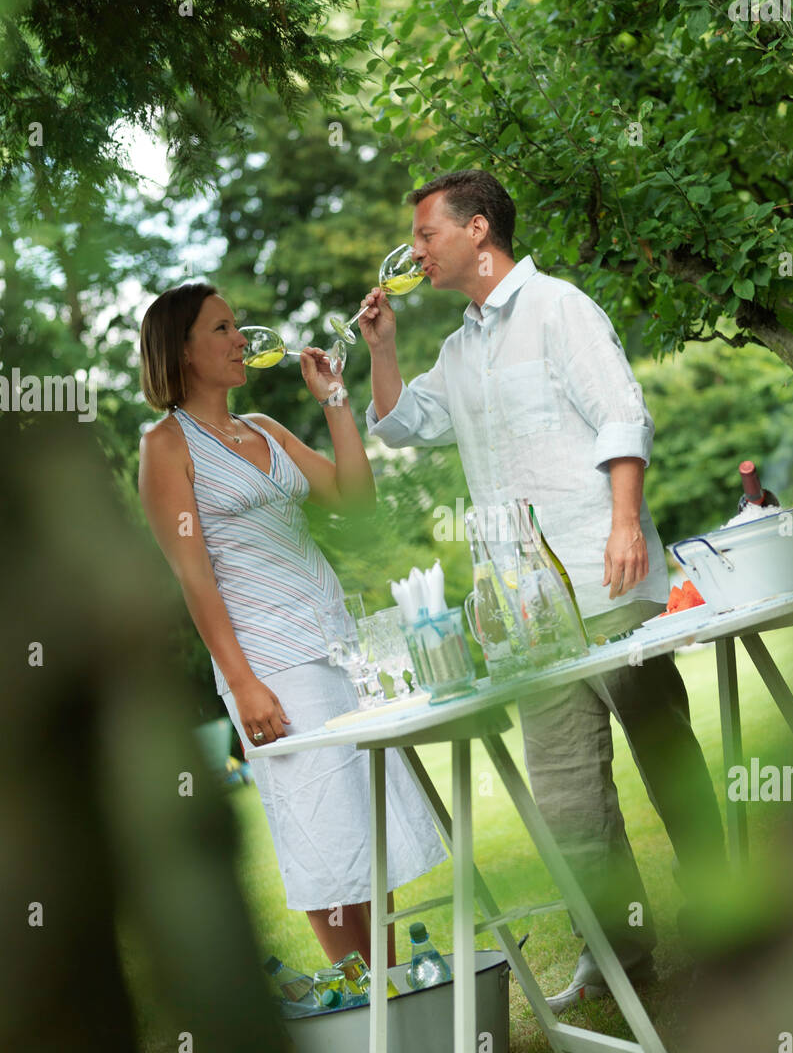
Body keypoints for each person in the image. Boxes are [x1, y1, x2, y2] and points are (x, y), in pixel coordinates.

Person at [361, 170, 726, 1010]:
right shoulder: (456, 351)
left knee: (665, 755)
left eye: (426, 234)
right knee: (567, 796)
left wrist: (626, 522)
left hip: (606, 575)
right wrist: (380, 348)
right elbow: (400, 426)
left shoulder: (560, 307)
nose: (414, 252)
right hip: (525, 614)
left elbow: (621, 412)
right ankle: (619, 957)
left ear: (478, 230)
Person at [137, 283, 447, 966]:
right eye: (221, 329)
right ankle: (361, 998)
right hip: (270, 663)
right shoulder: (165, 447)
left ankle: (396, 991)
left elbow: (354, 501)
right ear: (181, 351)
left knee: (365, 825)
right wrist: (243, 683)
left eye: (236, 325)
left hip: (337, 647)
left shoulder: (264, 430)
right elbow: (194, 576)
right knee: (321, 833)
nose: (240, 338)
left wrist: (334, 398)